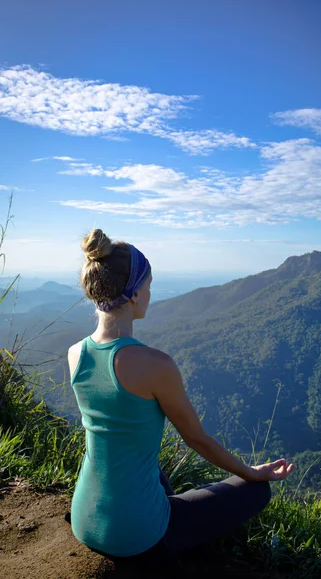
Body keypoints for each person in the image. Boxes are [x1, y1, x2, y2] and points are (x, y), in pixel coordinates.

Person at [67, 228, 294, 567]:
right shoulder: (156, 365)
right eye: (148, 284)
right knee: (256, 492)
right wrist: (253, 472)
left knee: (147, 466)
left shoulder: (76, 354)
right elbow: (197, 439)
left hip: (85, 519)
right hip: (139, 536)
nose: (150, 292)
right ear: (133, 295)